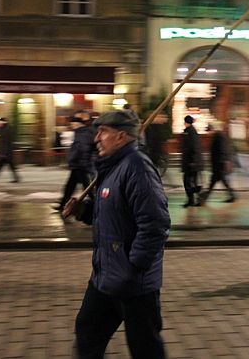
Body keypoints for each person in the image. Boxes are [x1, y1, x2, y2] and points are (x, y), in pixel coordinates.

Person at [73, 110, 170, 359]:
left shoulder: (137, 168)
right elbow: (110, 215)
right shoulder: (111, 168)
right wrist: (84, 210)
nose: (97, 138)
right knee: (87, 333)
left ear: (121, 137)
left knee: (145, 348)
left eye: (103, 132)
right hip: (105, 277)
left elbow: (156, 223)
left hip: (132, 282)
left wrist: (134, 265)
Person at [54, 111, 95, 213]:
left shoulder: (83, 133)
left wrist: (84, 164)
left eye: (72, 124)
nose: (71, 126)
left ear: (77, 124)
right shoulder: (80, 133)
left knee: (87, 188)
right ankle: (63, 204)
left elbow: (84, 150)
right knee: (70, 186)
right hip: (78, 165)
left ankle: (97, 204)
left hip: (81, 166)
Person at [199, 121, 235, 204]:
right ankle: (232, 196)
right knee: (216, 183)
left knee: (214, 184)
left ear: (212, 129)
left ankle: (203, 199)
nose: (208, 133)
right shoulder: (217, 136)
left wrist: (221, 162)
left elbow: (222, 151)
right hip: (218, 165)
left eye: (209, 130)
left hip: (219, 165)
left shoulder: (219, 136)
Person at [180, 115, 203, 207]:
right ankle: (194, 200)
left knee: (188, 182)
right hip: (190, 162)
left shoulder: (191, 132)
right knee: (192, 182)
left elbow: (194, 147)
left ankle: (192, 200)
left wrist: (193, 161)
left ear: (186, 122)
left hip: (191, 163)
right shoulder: (189, 131)